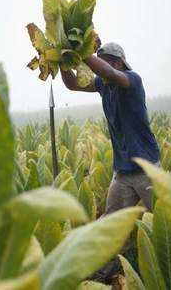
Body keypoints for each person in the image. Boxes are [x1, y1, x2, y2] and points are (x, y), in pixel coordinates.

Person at [60, 42, 160, 283]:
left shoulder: (130, 80)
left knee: (164, 224)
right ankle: (102, 274)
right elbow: (73, 84)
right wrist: (62, 61)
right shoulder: (104, 85)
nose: (101, 65)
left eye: (106, 60)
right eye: (100, 59)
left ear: (119, 62)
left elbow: (109, 73)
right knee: (110, 224)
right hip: (123, 172)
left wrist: (82, 52)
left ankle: (170, 271)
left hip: (147, 168)